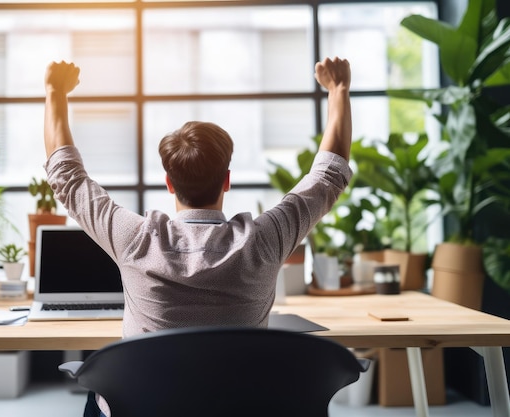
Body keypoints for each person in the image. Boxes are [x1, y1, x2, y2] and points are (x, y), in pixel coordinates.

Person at [44, 56, 352, 417]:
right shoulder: (264, 241)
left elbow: (66, 176)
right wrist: (339, 89)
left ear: (169, 184)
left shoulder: (134, 240)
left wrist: (54, 92)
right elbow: (329, 174)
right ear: (227, 180)